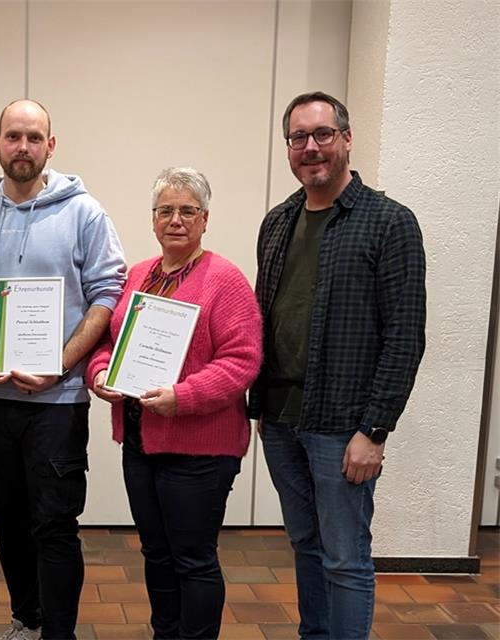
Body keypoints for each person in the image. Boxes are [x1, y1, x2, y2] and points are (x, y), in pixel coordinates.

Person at [0, 99, 126, 640]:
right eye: (13, 136)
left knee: (54, 523)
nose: (22, 147)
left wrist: (60, 364)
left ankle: (60, 633)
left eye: (34, 137)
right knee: (5, 518)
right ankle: (28, 619)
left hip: (57, 404)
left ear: (51, 145)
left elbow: (107, 295)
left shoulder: (85, 214)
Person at [251, 91, 426, 640]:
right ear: (288, 149)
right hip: (280, 419)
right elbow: (267, 315)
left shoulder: (389, 223)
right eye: (298, 138)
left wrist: (374, 430)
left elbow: (405, 337)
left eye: (322, 134)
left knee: (346, 558)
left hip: (342, 425)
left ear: (346, 139)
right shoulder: (277, 222)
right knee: (306, 544)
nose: (311, 147)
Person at [87, 167, 262, 639]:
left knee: (193, 558)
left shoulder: (225, 281)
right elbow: (109, 339)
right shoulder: (137, 275)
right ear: (153, 219)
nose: (176, 220)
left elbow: (242, 360)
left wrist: (183, 397)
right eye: (166, 210)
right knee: (156, 552)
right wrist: (99, 371)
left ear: (205, 219)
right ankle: (165, 634)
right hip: (142, 442)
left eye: (188, 210)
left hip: (201, 450)